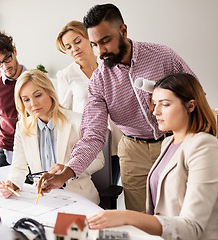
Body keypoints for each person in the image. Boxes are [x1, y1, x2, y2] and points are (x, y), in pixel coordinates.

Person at [39, 3, 196, 212]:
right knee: (139, 215)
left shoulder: (162, 56)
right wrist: (67, 172)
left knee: (179, 210)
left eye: (105, 41)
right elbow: (93, 135)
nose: (101, 51)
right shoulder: (99, 81)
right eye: (94, 44)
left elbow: (196, 95)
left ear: (123, 31)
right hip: (132, 151)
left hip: (174, 143)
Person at [88, 73, 218, 240]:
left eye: (165, 104)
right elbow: (160, 211)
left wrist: (126, 216)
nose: (155, 111)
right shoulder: (168, 143)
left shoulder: (206, 147)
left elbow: (191, 228)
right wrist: (119, 223)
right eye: (154, 104)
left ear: (191, 105)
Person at [0, 69, 104, 204]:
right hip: (44, 200)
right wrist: (12, 184)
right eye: (26, 100)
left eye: (38, 95)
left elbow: (99, 160)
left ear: (50, 92)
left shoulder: (78, 121)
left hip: (79, 197)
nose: (33, 104)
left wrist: (67, 169)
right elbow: (18, 167)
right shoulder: (22, 127)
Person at [56, 20, 122, 184]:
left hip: (117, 140)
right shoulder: (66, 75)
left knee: (111, 188)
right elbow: (62, 113)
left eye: (78, 41)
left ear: (89, 39)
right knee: (91, 190)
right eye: (68, 47)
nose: (74, 49)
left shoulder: (111, 66)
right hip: (88, 143)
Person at [0, 31, 27, 167]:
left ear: (14, 51)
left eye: (7, 58)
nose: (5, 66)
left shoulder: (35, 80)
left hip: (32, 148)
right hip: (4, 151)